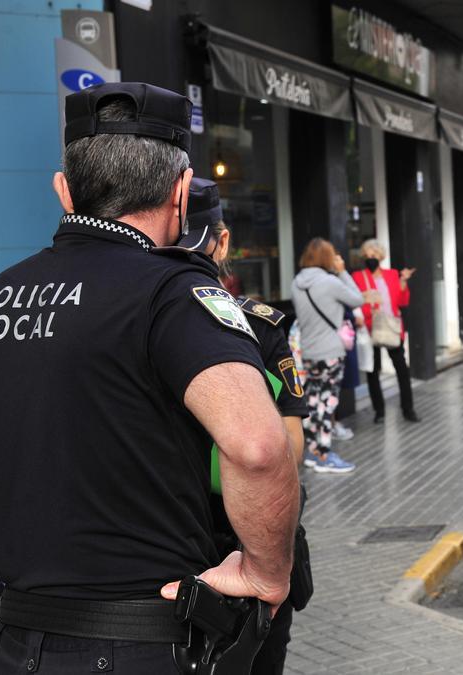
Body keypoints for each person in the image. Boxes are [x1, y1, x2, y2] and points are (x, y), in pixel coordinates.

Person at [0, 82, 298, 673]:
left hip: (8, 647)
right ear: (181, 193)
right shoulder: (174, 293)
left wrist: (19, 517)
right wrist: (264, 571)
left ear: (64, 191)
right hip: (139, 645)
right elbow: (257, 446)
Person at [176, 177, 309, 675]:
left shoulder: (261, 326)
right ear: (223, 240)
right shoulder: (260, 327)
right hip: (242, 543)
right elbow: (285, 447)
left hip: (207, 543)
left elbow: (287, 444)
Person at [291, 238, 365, 473]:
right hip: (331, 352)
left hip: (309, 352)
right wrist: (343, 273)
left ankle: (313, 451)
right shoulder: (330, 282)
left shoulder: (296, 282)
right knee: (327, 403)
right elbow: (357, 299)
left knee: (313, 401)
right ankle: (323, 454)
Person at [352, 239, 419, 424]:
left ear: (380, 256)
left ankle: (408, 409)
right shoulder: (358, 277)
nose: (370, 258)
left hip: (390, 327)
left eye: (373, 255)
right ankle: (379, 411)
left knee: (401, 370)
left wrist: (403, 281)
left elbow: (402, 302)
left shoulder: (392, 275)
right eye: (367, 256)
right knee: (373, 372)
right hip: (369, 327)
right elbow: (354, 301)